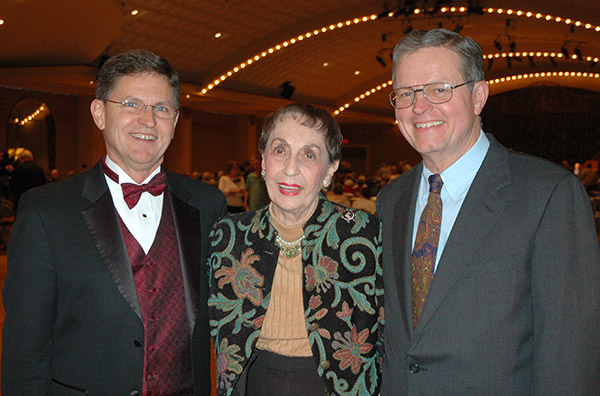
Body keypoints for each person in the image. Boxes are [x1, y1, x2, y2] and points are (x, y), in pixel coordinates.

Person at [377, 28, 600, 395]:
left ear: (478, 96)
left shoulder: (548, 195)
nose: (419, 106)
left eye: (438, 89)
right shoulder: (391, 200)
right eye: (406, 94)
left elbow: (569, 355)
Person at [2, 49, 227, 395]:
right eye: (131, 104)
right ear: (99, 113)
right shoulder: (45, 212)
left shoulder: (208, 205)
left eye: (161, 108)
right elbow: (25, 356)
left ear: (176, 121)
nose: (148, 120)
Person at [208, 103, 383, 396]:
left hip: (336, 389)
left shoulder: (362, 234)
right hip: (252, 385)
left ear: (330, 169)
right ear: (263, 161)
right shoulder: (228, 235)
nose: (290, 167)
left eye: (309, 154)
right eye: (280, 150)